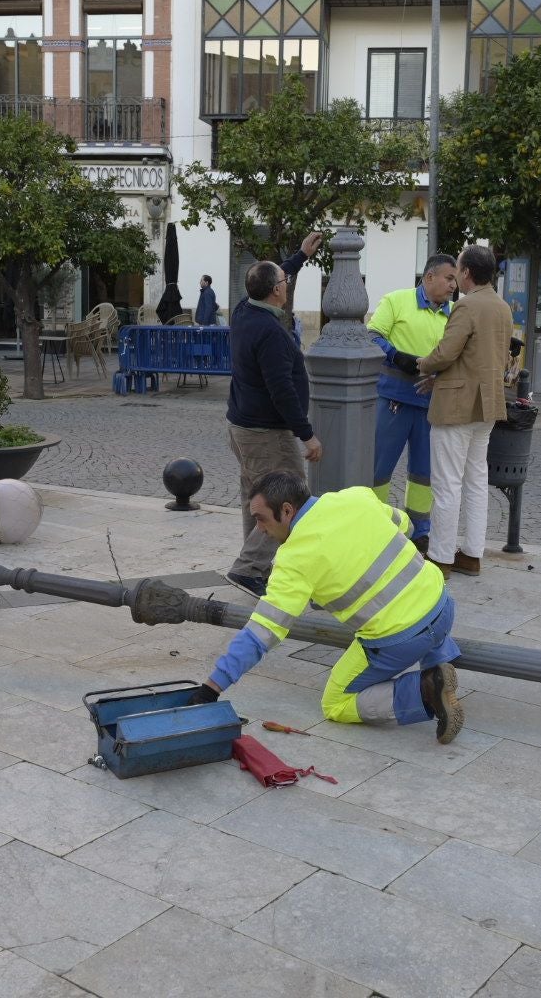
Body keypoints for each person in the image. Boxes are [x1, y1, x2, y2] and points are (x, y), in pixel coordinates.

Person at [194, 471, 465, 743]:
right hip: (442, 605)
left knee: (335, 703)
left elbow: (261, 633)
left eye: (261, 519)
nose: (260, 529)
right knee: (423, 613)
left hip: (399, 640)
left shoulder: (293, 559)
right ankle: (440, 662)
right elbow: (405, 525)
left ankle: (426, 690)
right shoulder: (355, 497)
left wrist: (211, 688)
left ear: (287, 510)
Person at [225, 231, 325, 597]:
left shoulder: (244, 309)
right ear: (277, 292)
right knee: (289, 499)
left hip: (242, 425)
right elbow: (281, 389)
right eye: (283, 281)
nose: (286, 281)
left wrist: (299, 256)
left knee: (254, 496)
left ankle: (257, 563)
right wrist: (306, 434)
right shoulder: (270, 332)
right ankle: (249, 567)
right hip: (266, 433)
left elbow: (274, 272)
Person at [417, 244, 513, 578]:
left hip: (456, 406)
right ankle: (472, 555)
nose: (456, 275)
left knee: (446, 484)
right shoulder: (502, 307)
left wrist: (423, 364)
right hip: (487, 404)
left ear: (467, 273)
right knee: (475, 482)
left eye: (458, 268)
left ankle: (440, 558)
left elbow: (446, 353)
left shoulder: (466, 306)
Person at [369, 253, 456, 556]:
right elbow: (372, 337)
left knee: (424, 474)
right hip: (393, 400)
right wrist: (396, 356)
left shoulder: (455, 313)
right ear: (429, 277)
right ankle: (375, 528)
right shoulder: (396, 300)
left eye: (456, 279)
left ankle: (420, 533)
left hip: (433, 406)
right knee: (379, 469)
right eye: (448, 278)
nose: (453, 285)